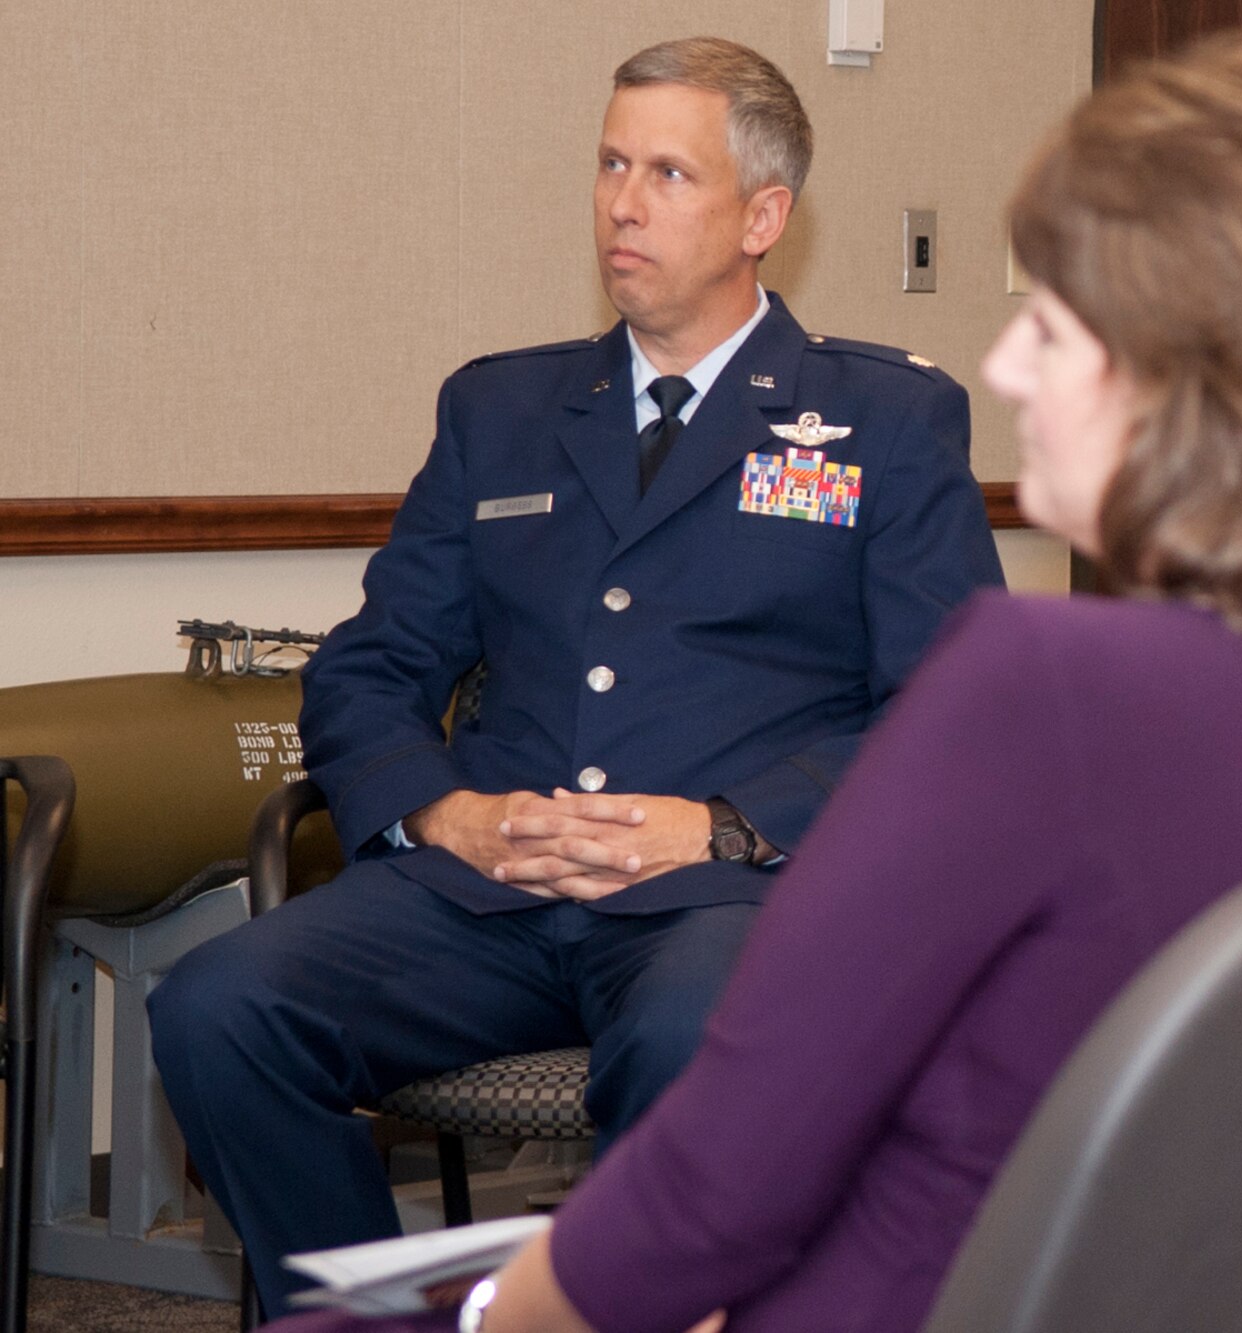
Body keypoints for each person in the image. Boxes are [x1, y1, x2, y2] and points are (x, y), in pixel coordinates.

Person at [271, 34, 1242, 1333]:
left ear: (1191, 375)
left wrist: (468, 1318)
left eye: (1050, 325)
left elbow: (726, 1180)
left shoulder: (1041, 679)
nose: (1002, 371)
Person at [147, 36, 1003, 1307]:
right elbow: (371, 667)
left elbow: (949, 718)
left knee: (694, 1035)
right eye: (610, 163)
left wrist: (721, 826)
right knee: (220, 1005)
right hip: (486, 895)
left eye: (668, 172)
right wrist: (447, 814)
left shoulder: (876, 421)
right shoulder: (502, 411)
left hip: (718, 900)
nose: (621, 201)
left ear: (763, 216)